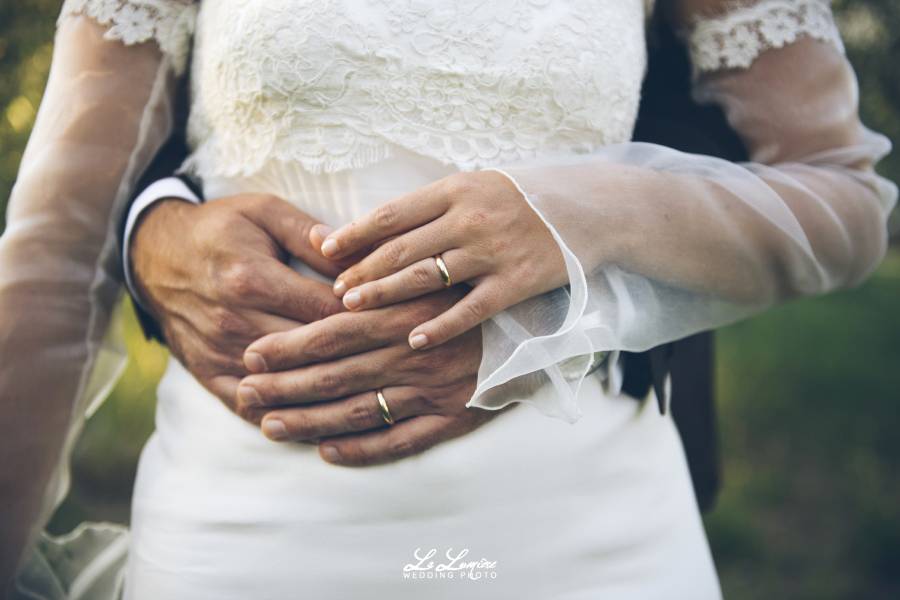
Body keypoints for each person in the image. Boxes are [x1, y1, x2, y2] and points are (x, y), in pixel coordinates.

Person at [1, 0, 895, 598]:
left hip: (593, 534)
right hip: (246, 531)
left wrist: (576, 219)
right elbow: (55, 247)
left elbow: (843, 199)